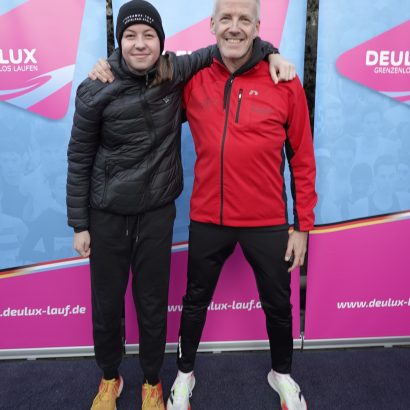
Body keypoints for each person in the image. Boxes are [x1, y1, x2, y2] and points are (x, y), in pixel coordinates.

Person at [68, 1, 294, 409]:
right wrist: (79, 224)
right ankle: (109, 378)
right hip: (106, 216)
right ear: (119, 42)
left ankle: (152, 382)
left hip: (157, 214)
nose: (140, 44)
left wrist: (272, 52)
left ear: (161, 42)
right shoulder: (94, 87)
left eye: (148, 36)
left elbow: (230, 44)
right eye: (130, 36)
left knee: (153, 305)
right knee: (107, 307)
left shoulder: (173, 73)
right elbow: (79, 158)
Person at [165, 1, 317, 409]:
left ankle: (282, 375)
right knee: (194, 300)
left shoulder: (284, 82)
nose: (235, 27)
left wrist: (303, 225)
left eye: (244, 19)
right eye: (226, 19)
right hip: (208, 217)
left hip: (267, 221)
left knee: (278, 304)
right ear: (212, 24)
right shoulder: (193, 79)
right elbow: (142, 72)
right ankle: (184, 375)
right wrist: (109, 65)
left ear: (257, 27)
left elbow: (302, 159)